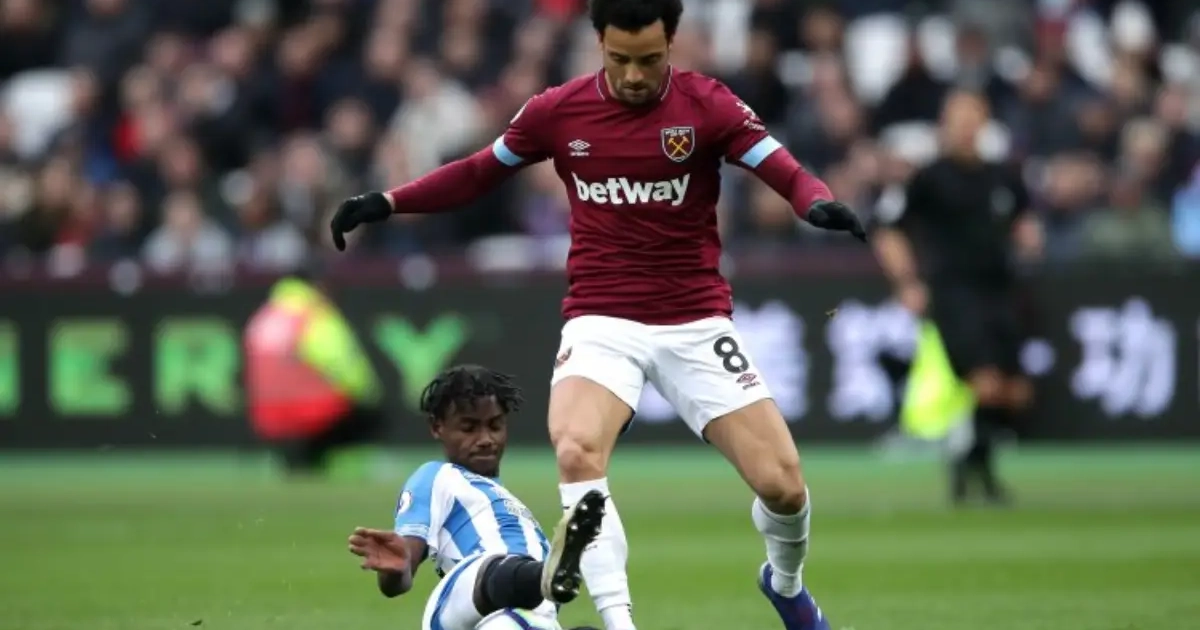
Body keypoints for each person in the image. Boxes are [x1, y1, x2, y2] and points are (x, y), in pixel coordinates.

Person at [330, 1, 867, 628]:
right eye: (619, 60)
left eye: (649, 60)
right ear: (599, 46)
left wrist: (815, 202)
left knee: (784, 486)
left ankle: (785, 583)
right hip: (600, 319)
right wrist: (389, 201)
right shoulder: (558, 111)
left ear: (671, 44)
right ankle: (621, 624)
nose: (634, 75)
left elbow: (782, 167)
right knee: (577, 449)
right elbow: (478, 172)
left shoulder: (709, 105)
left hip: (695, 321)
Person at [873, 90, 1043, 506]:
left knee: (1016, 390)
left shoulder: (1002, 176)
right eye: (958, 119)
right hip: (954, 292)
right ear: (945, 125)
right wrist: (907, 281)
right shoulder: (928, 178)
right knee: (984, 382)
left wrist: (1028, 239)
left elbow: (1024, 220)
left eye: (973, 118)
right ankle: (978, 473)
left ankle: (969, 458)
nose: (966, 128)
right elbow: (888, 229)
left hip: (1001, 289)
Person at [347, 365, 606, 630]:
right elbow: (398, 578)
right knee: (494, 567)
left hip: (522, 618)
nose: (485, 439)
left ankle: (543, 578)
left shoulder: (509, 502)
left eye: (495, 426)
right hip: (461, 603)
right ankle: (542, 575)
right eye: (469, 428)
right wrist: (397, 569)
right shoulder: (437, 477)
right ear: (437, 427)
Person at [243, 269, 385, 477]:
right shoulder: (313, 315)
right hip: (313, 414)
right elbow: (342, 364)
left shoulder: (262, 318)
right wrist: (369, 395)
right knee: (370, 412)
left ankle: (293, 459)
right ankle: (346, 468)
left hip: (266, 418)